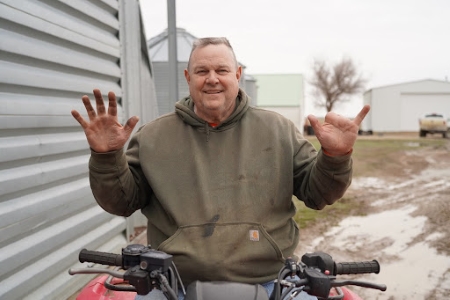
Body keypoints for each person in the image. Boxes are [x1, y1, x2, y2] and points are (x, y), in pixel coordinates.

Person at [71, 37, 370, 300]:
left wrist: (335, 156)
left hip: (271, 281)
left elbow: (318, 194)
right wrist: (107, 156)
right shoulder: (153, 137)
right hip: (171, 283)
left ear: (238, 75)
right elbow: (122, 201)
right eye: (202, 71)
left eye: (222, 70)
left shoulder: (278, 130)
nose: (212, 78)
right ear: (188, 77)